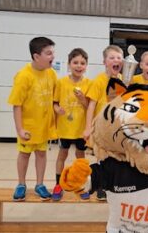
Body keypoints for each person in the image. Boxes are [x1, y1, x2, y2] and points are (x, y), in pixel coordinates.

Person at [8, 37, 57, 201]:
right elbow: (17, 105)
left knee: (41, 155)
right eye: (49, 53)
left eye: (53, 52)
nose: (53, 56)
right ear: (37, 56)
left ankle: (40, 184)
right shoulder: (23, 76)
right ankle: (21, 184)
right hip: (28, 127)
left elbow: (55, 97)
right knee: (24, 155)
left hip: (44, 127)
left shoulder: (51, 73)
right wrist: (20, 129)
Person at [83, 44, 124, 201]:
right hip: (101, 127)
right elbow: (91, 105)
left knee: (116, 158)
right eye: (112, 57)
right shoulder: (99, 81)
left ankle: (113, 185)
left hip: (116, 127)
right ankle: (101, 187)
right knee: (101, 158)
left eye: (119, 58)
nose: (116, 60)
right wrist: (88, 128)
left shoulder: (122, 80)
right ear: (104, 62)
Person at [51, 48, 91, 201]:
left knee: (80, 157)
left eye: (82, 63)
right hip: (65, 128)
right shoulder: (61, 83)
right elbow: (54, 103)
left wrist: (82, 99)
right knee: (62, 154)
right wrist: (57, 109)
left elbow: (89, 106)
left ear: (86, 66)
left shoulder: (89, 83)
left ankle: (79, 184)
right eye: (75, 62)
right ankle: (58, 184)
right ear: (69, 64)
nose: (79, 66)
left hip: (81, 129)